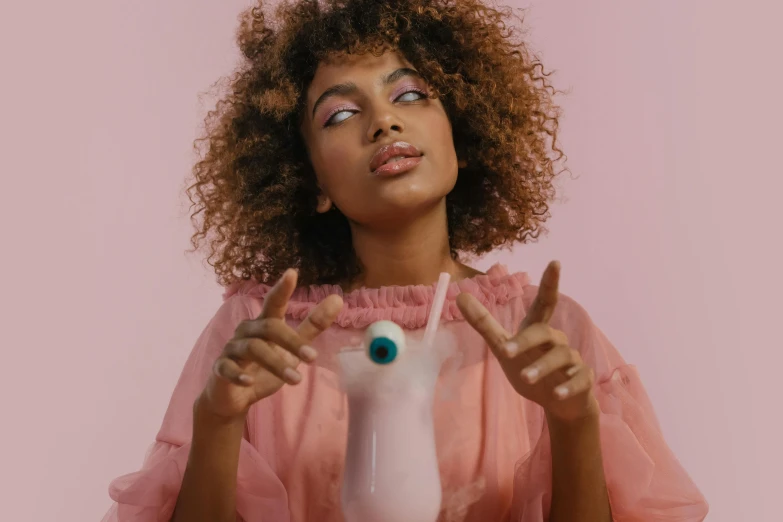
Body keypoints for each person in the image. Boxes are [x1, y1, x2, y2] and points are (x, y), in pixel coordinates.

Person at [101, 0, 708, 521]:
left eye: (410, 94)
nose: (383, 121)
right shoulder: (257, 334)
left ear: (461, 135)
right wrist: (217, 420)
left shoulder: (547, 334)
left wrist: (572, 422)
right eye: (340, 113)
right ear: (308, 178)